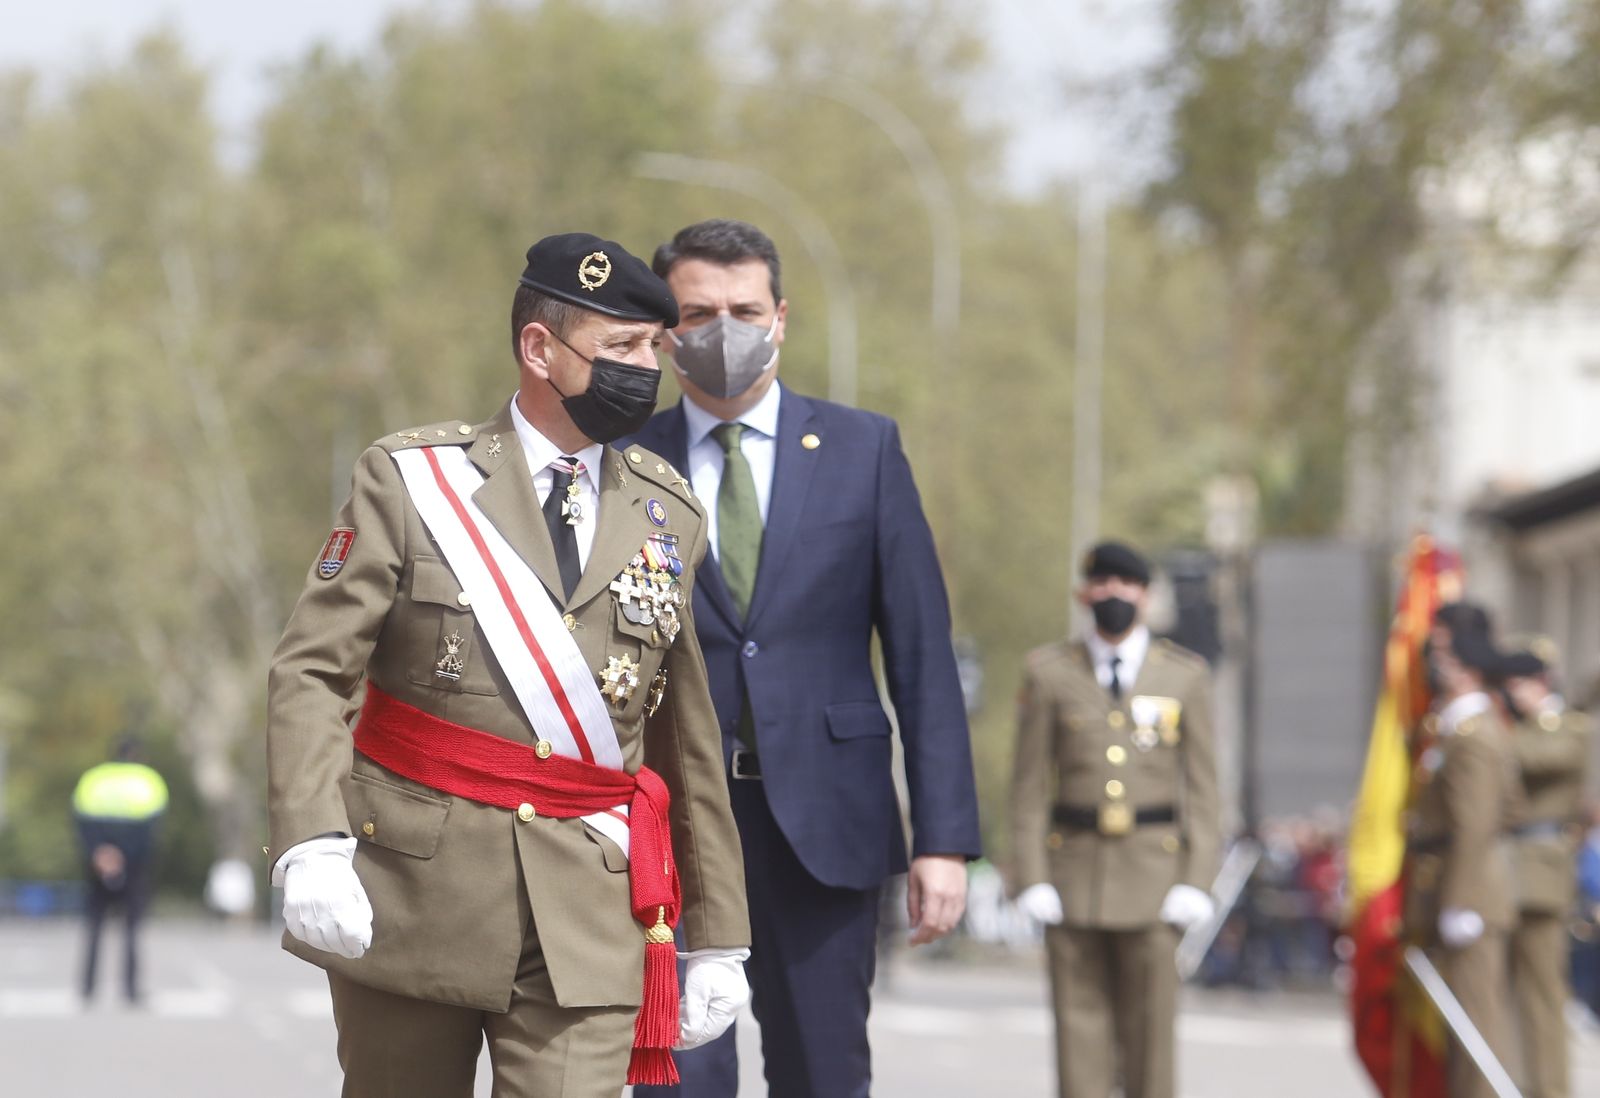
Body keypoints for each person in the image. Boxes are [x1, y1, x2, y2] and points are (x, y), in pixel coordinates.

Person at [265, 232, 751, 1098]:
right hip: (416, 894)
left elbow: (684, 736)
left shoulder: (667, 510)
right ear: (539, 348)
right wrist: (311, 841)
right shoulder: (413, 481)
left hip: (588, 911)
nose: (649, 368)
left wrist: (717, 934)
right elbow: (313, 672)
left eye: (654, 346)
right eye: (622, 347)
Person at [628, 218, 982, 1098]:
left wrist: (944, 840)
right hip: (671, 826)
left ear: (780, 319)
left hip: (828, 820)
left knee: (823, 1074)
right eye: (698, 313)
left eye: (746, 311)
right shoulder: (624, 461)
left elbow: (921, 656)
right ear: (666, 331)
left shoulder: (865, 451)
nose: (725, 331)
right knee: (676, 1077)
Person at [1010, 541, 1221, 1098]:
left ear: (1145, 596)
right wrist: (1031, 877)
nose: (1113, 594)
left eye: (1125, 584)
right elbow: (1028, 787)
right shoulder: (1050, 673)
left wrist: (1197, 880)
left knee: (1151, 1040)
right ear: (1084, 594)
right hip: (1073, 876)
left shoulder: (1184, 676)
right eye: (1101, 583)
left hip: (1155, 880)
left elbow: (1204, 790)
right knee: (1078, 1035)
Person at [1402, 602, 1520, 1098]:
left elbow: (1475, 824)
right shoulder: (1456, 729)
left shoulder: (1475, 736)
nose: (1438, 670)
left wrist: (1459, 901)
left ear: (1469, 670)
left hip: (1471, 894)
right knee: (1460, 1025)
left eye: (1448, 662)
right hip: (1456, 885)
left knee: (1476, 1025)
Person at [1502, 644, 1590, 1098]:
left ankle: (1551, 1089)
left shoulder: (1567, 726)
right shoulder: (1518, 727)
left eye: (1519, 684)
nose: (1513, 693)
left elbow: (1540, 759)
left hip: (1541, 868)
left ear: (1541, 683)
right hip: (1506, 865)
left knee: (1542, 991)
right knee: (1508, 992)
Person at [72, 736, 168, 1005]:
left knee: (94, 925)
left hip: (97, 862)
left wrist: (100, 853)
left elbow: (81, 821)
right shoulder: (148, 780)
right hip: (134, 864)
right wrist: (123, 857)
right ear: (137, 755)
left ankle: (87, 987)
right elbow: (150, 830)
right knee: (132, 928)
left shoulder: (93, 779)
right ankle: (130, 988)